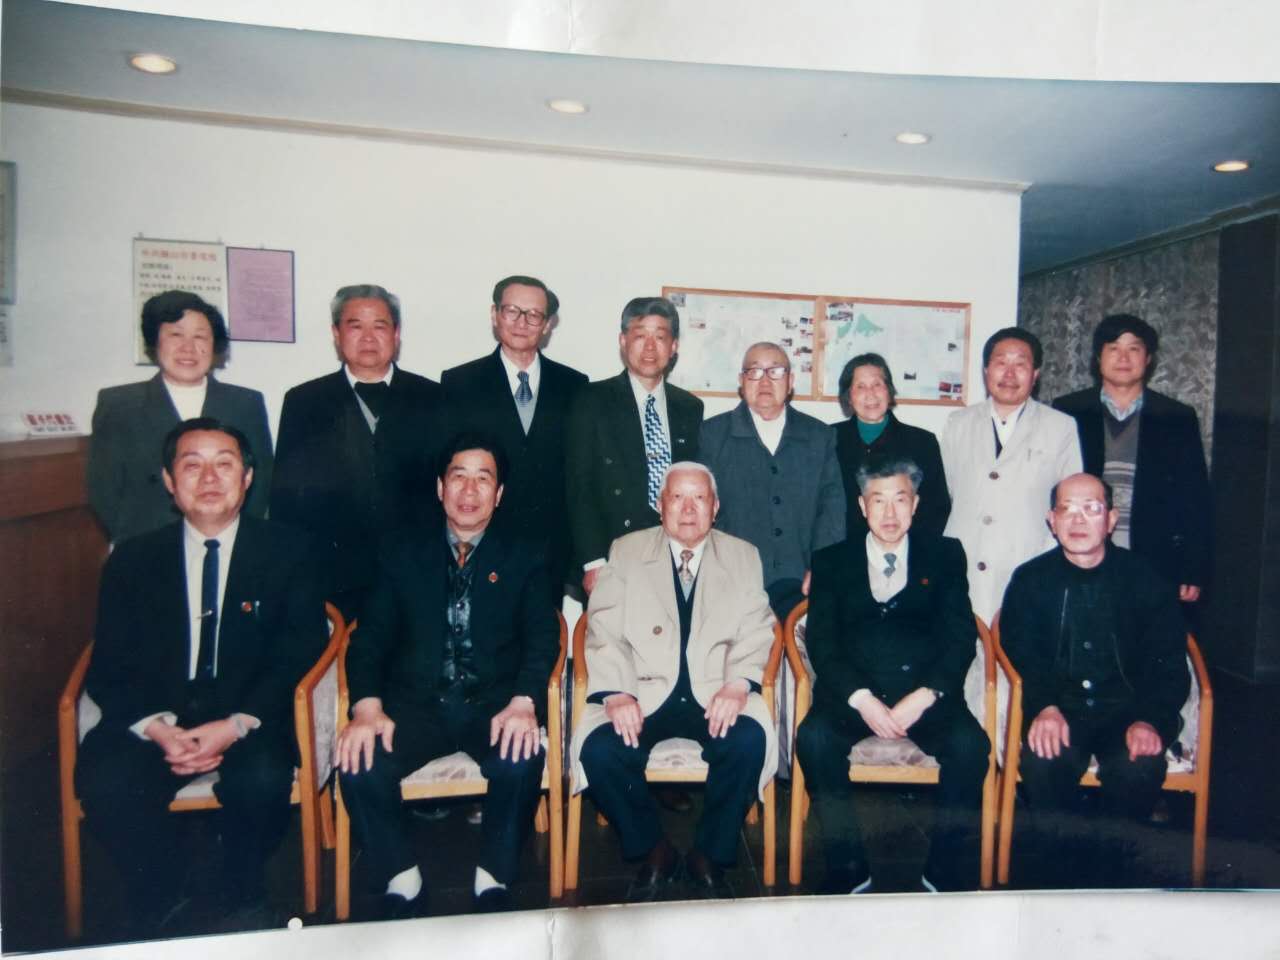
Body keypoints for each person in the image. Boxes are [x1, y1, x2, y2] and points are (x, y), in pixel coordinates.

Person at [77, 418, 325, 937]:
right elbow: (109, 663)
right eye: (192, 465)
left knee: (262, 779)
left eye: (224, 464)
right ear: (170, 481)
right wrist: (157, 728)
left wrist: (235, 724)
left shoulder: (291, 551)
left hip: (248, 714)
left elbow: (298, 651)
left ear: (248, 478)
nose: (209, 478)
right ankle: (162, 894)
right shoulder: (132, 560)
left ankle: (238, 890)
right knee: (107, 780)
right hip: (158, 715)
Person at [337, 432, 560, 918]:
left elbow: (543, 637)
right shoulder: (400, 552)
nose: (469, 490)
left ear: (499, 494)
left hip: (493, 704)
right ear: (440, 488)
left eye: (484, 479)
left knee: (521, 757)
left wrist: (524, 701)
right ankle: (402, 879)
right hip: (416, 706)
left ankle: (494, 876)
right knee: (358, 760)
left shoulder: (527, 554)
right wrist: (367, 707)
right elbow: (368, 639)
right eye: (459, 477)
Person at [571, 462, 777, 902]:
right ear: (659, 505)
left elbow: (758, 628)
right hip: (642, 692)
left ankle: (709, 856)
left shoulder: (743, 555)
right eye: (677, 498)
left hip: (716, 691)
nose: (688, 509)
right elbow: (602, 626)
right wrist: (618, 691)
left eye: (699, 498)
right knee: (600, 749)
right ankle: (654, 850)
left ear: (715, 508)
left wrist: (738, 684)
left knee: (748, 741)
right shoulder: (627, 550)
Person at [795, 456, 988, 894]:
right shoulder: (831, 561)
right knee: (814, 739)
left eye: (900, 500)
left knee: (971, 747)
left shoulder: (945, 555)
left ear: (915, 504)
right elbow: (822, 643)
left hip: (924, 696)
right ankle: (848, 865)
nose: (889, 512)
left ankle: (943, 869)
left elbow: (960, 637)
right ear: (862, 506)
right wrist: (861, 698)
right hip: (853, 697)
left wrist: (926, 695)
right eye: (878, 500)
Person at [999, 472, 1189, 887]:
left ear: (1111, 520)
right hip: (1061, 710)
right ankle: (1061, 879)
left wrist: (1150, 719)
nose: (1078, 519)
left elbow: (1171, 665)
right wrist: (1044, 705)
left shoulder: (1145, 579)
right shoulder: (1030, 581)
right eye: (1067, 509)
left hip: (1129, 711)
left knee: (1138, 767)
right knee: (1043, 762)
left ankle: (1110, 879)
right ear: (1051, 520)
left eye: (1092, 508)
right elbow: (1022, 654)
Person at [271, 284, 444, 618]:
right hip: (331, 577)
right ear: (336, 334)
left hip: (414, 575)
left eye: (379, 326)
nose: (368, 337)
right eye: (355, 326)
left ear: (396, 334)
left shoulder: (432, 397)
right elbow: (285, 501)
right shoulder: (304, 402)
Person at [441, 276, 587, 605]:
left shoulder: (575, 386)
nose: (522, 322)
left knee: (544, 634)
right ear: (495, 315)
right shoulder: (459, 383)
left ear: (547, 324)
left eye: (534, 315)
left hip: (550, 549)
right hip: (481, 543)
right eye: (512, 311)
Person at [88, 290, 273, 544]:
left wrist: (238, 541)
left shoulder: (246, 403)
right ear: (155, 342)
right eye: (176, 335)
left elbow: (260, 482)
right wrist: (134, 542)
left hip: (226, 544)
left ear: (214, 345)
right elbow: (103, 490)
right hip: (147, 543)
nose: (188, 348)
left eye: (200, 336)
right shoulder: (119, 405)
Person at [1053, 314, 1211, 606]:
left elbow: (1195, 496)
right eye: (1113, 348)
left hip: (1154, 556)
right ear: (1097, 358)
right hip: (1082, 549)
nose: (1123, 358)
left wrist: (1193, 567)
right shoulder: (1068, 410)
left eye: (1134, 349)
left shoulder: (1176, 416)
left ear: (1148, 358)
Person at [940, 327, 1082, 623]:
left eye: (1020, 364)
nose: (1009, 373)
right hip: (964, 562)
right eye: (1001, 362)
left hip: (1028, 563)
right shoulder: (958, 423)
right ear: (985, 370)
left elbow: (1070, 504)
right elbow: (948, 492)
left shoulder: (1060, 427)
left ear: (1036, 373)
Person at [565, 296, 703, 597]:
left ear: (674, 346)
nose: (650, 347)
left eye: (660, 337)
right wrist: (593, 561)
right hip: (612, 555)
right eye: (640, 336)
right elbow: (578, 487)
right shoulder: (591, 400)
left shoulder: (690, 407)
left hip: (674, 554)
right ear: (623, 341)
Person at [700, 341, 844, 619]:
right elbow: (702, 509)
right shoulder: (713, 435)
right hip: (732, 581)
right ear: (741, 381)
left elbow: (832, 511)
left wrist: (823, 567)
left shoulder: (819, 436)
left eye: (775, 372)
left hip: (801, 580)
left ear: (790, 381)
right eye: (754, 372)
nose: (765, 381)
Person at [833, 352, 949, 541]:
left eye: (877, 384)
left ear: (889, 391)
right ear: (848, 396)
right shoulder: (828, 439)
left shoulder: (922, 442)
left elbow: (936, 508)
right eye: (860, 386)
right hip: (841, 551)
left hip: (904, 551)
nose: (870, 394)